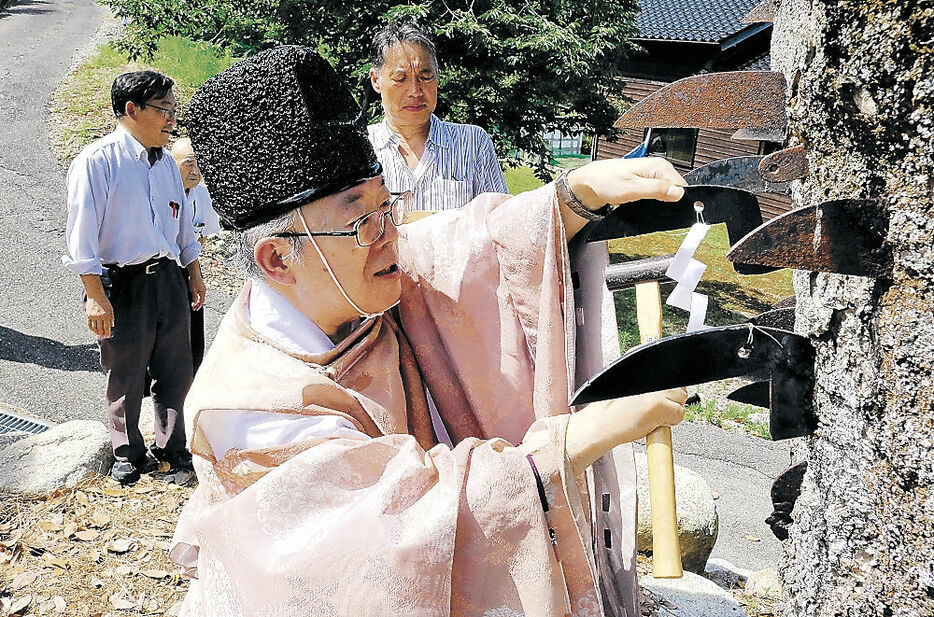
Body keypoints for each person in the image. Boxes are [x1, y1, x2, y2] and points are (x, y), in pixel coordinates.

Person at [169, 46, 687, 617]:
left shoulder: (348, 282)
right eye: (363, 221)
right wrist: (573, 442)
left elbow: (465, 245)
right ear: (276, 260)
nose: (391, 236)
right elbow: (397, 534)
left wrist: (572, 197)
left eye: (388, 208)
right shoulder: (254, 412)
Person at [63, 71, 205, 485]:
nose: (171, 121)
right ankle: (128, 451)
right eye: (163, 110)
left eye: (173, 111)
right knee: (125, 370)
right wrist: (94, 296)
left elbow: (182, 228)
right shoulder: (98, 161)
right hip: (122, 283)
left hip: (169, 278)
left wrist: (192, 273)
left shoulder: (165, 163)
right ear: (131, 110)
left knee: (176, 368)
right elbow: (82, 236)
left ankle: (173, 448)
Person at [368, 18, 508, 212]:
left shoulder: (473, 143)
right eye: (400, 78)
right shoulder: (358, 148)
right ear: (377, 81)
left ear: (437, 77)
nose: (415, 91)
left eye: (425, 77)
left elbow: (499, 223)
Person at [171, 138, 221, 374]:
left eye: (200, 165)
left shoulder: (202, 195)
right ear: (172, 163)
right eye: (189, 163)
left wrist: (194, 274)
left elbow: (202, 236)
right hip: (160, 265)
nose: (195, 171)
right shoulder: (162, 192)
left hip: (187, 265)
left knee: (194, 325)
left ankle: (190, 379)